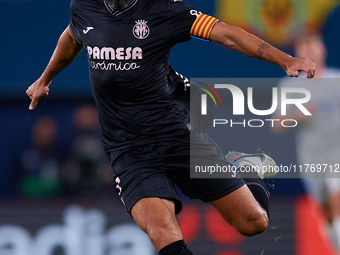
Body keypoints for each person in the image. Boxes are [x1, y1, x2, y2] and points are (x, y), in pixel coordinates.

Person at [26, 0, 316, 254]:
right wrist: (45, 78)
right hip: (128, 150)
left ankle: (240, 167)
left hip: (176, 136)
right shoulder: (84, 6)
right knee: (163, 233)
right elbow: (73, 36)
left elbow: (226, 34)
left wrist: (286, 59)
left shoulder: (164, 8)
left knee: (254, 223)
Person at [271, 33, 340, 251]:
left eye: (314, 44)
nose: (310, 50)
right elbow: (276, 125)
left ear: (323, 49)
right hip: (311, 157)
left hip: (337, 152)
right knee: (326, 212)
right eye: (304, 46)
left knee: (337, 196)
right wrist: (299, 114)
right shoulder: (289, 87)